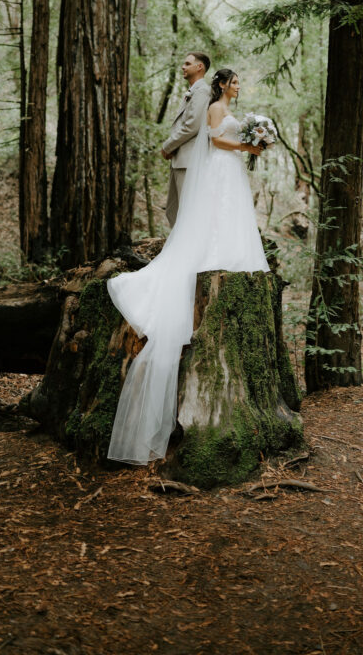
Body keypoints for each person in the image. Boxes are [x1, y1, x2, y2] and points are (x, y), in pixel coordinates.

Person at [106, 67, 268, 465]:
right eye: (234, 82)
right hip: (221, 168)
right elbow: (214, 139)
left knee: (233, 214)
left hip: (231, 170)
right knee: (218, 213)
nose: (238, 87)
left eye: (238, 83)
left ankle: (233, 254)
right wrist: (247, 147)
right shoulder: (214, 107)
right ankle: (213, 254)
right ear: (222, 85)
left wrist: (254, 140)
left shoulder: (233, 111)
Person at [161, 52, 211, 227]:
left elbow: (192, 125)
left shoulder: (202, 91)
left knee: (187, 211)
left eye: (187, 63)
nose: (183, 67)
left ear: (199, 67)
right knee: (173, 210)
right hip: (180, 159)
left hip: (189, 161)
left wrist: (168, 146)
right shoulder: (193, 91)